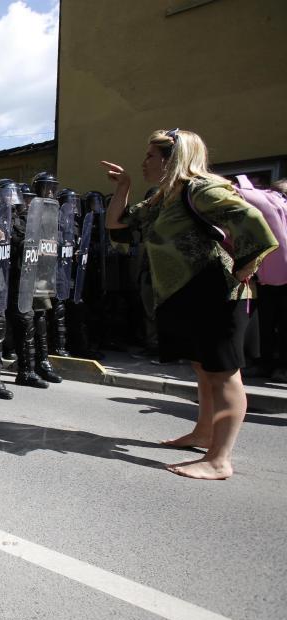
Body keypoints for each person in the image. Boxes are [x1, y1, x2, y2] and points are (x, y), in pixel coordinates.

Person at [102, 128, 278, 480]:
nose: (144, 161)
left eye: (151, 155)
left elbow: (253, 222)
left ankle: (219, 460)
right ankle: (204, 434)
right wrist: (123, 188)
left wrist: (247, 264)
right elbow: (117, 225)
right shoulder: (161, 199)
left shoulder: (201, 188)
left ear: (172, 159)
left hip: (216, 293)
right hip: (187, 295)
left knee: (224, 374)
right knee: (203, 369)